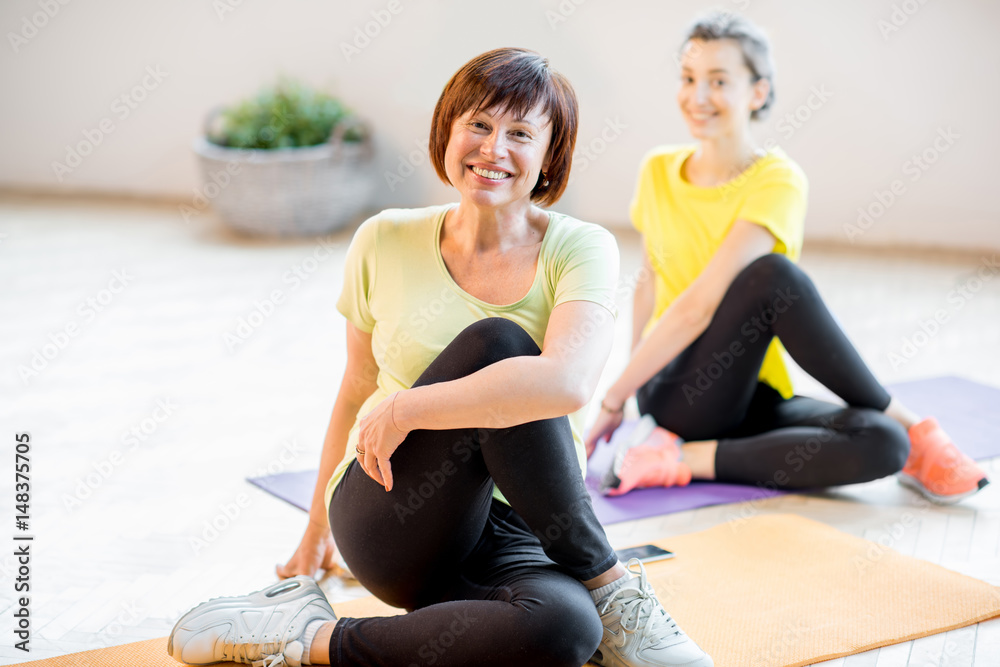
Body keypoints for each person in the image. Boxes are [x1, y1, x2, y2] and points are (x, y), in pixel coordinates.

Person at [168, 48, 714, 667]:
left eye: (520, 134)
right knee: (499, 344)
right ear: (447, 130)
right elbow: (354, 389)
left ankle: (306, 639)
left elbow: (566, 382)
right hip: (396, 508)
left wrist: (408, 406)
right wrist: (313, 536)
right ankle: (613, 587)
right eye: (478, 124)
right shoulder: (384, 238)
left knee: (565, 629)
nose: (493, 148)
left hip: (524, 529)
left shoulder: (582, 248)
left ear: (548, 156)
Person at [585, 11, 989, 504]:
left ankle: (680, 459)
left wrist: (621, 396)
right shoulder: (658, 171)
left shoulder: (777, 178)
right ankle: (919, 427)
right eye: (689, 79)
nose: (698, 96)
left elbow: (707, 301)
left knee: (884, 440)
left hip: (752, 393)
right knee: (772, 275)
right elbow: (655, 284)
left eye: (718, 81)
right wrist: (622, 393)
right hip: (679, 391)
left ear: (757, 91)